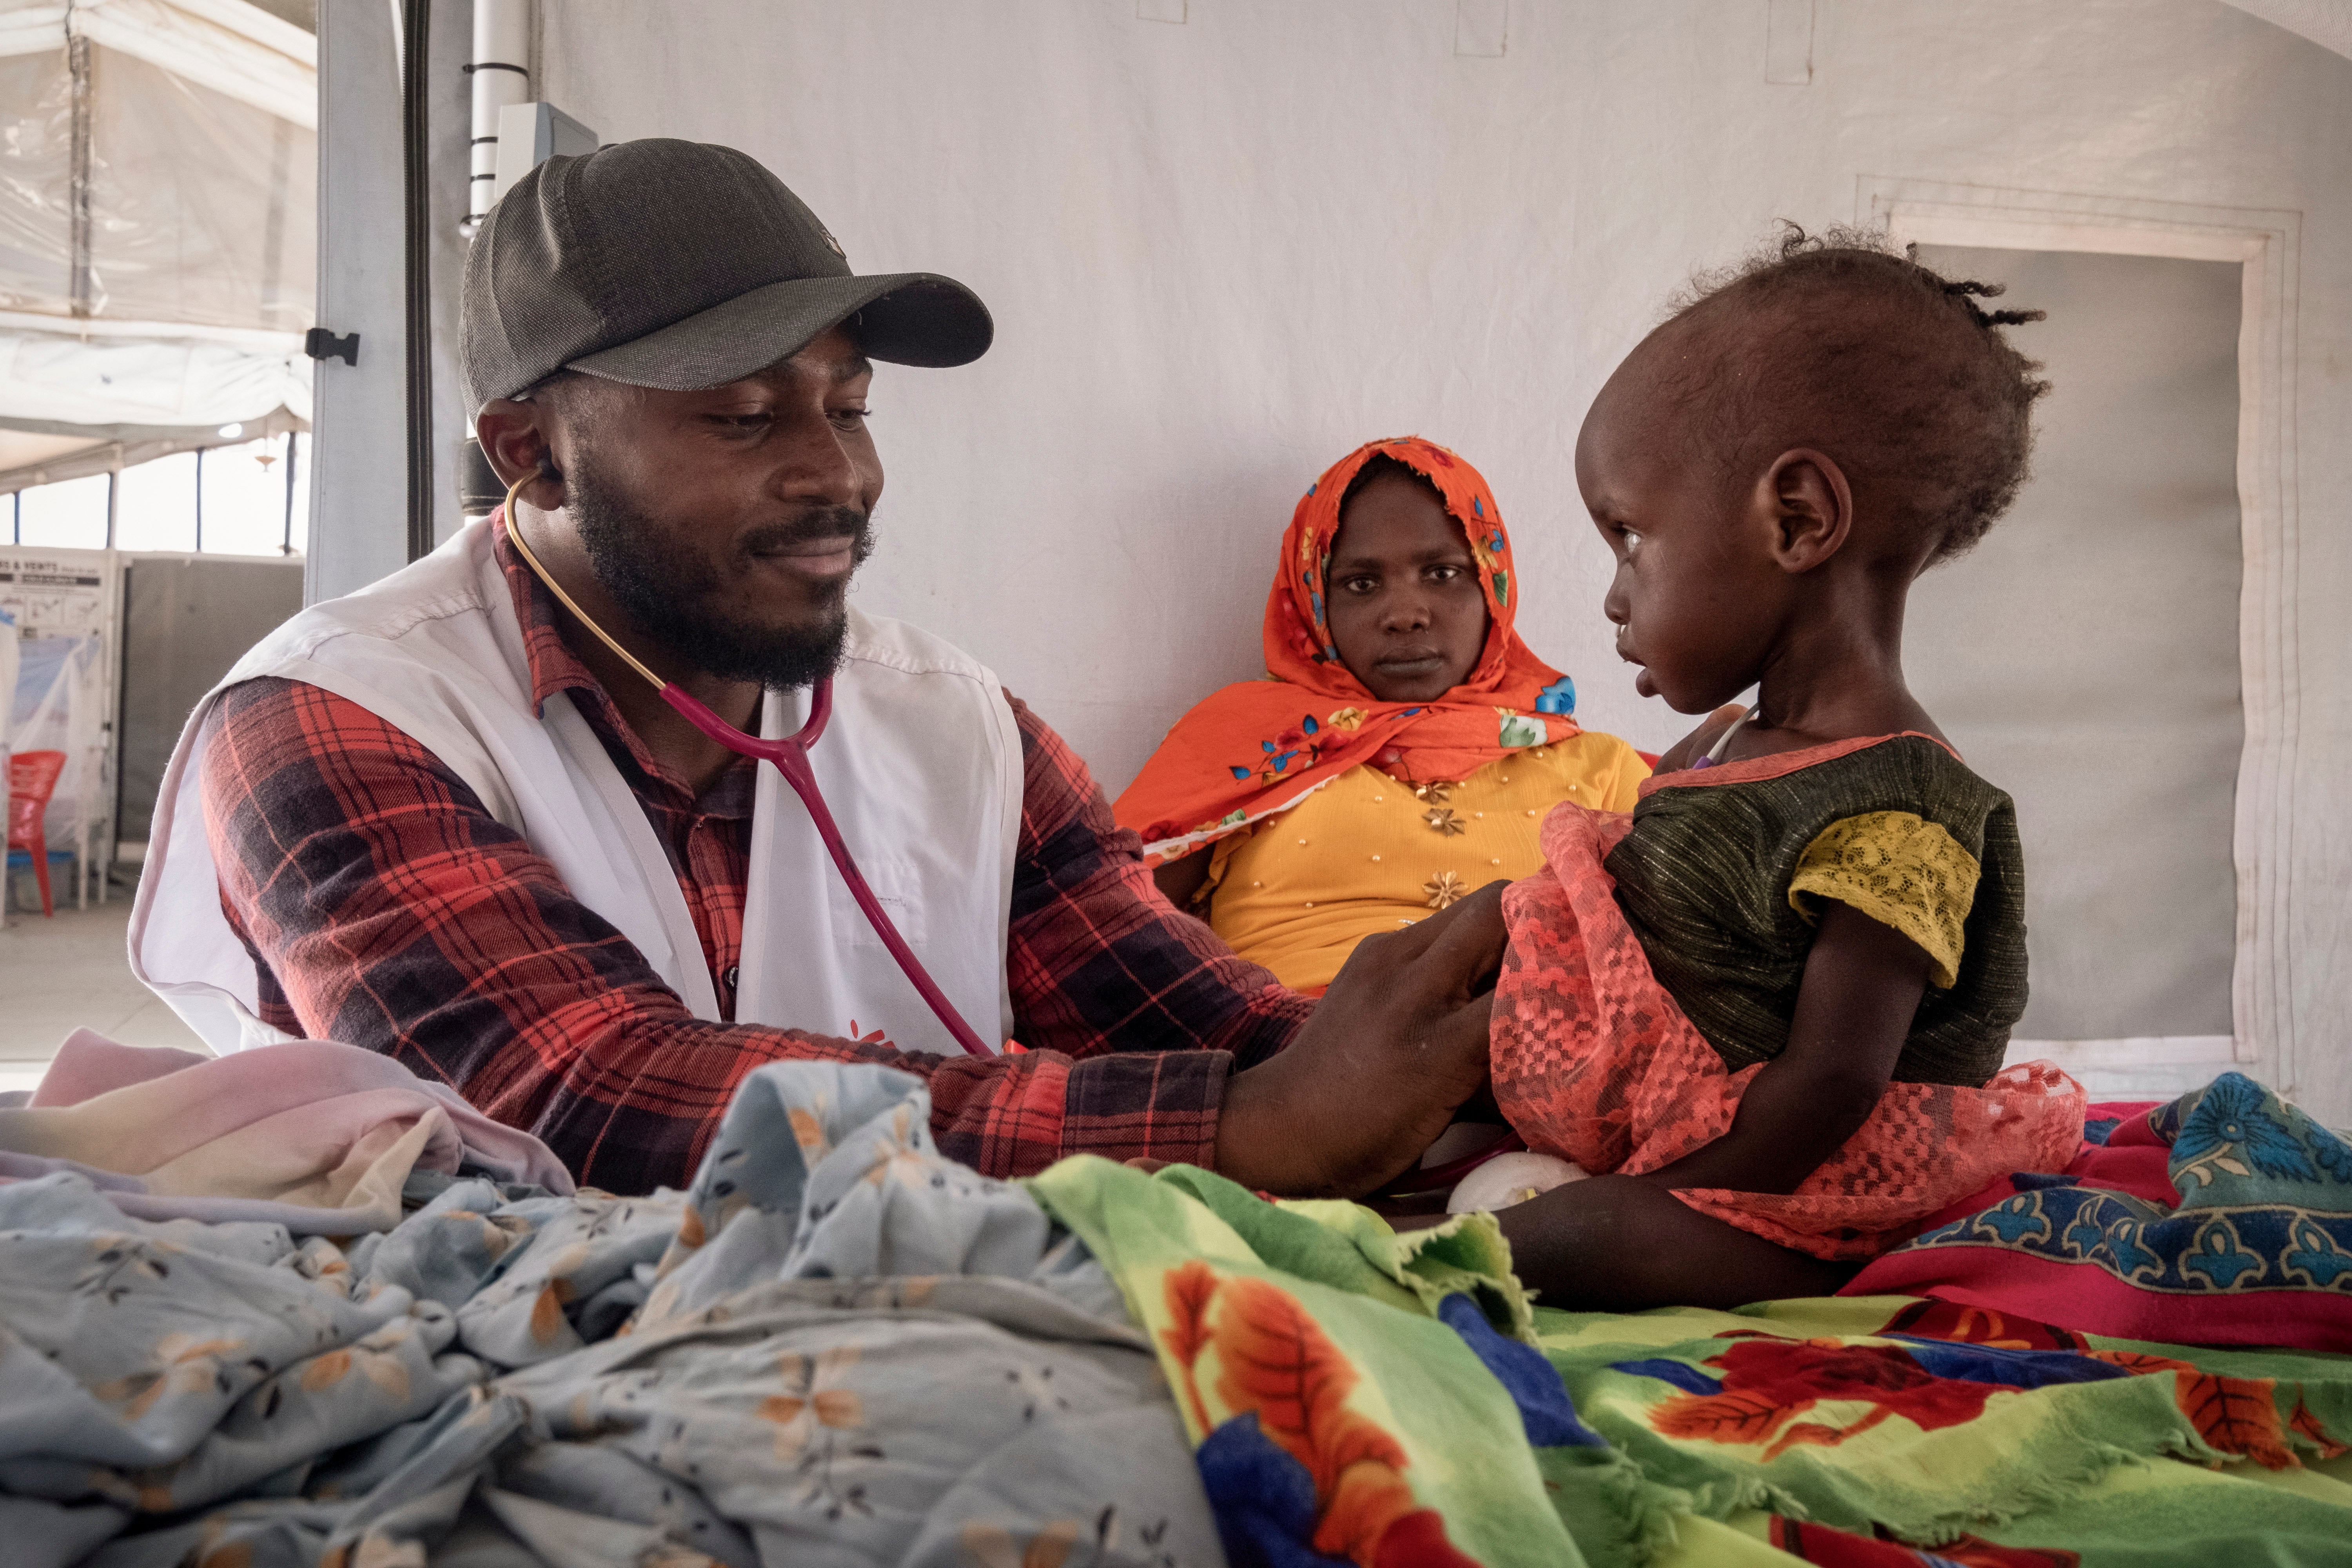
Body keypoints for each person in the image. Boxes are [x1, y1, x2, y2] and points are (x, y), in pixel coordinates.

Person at [129, 140, 1505, 1201]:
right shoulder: (338, 718)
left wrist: (1500, 1068)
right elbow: (573, 1099)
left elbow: (1208, 1018)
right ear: (530, 451)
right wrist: (1238, 1130)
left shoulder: (958, 728)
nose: (837, 476)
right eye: (743, 419)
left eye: (848, 404)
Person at [1466, 229, 2087, 1308]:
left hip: (1802, 1176)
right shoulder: (1722, 745)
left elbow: (1835, 1082)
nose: (1617, 596)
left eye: (1630, 538)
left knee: (1584, 1239)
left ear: (1796, 520)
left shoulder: (1902, 807)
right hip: (1676, 1108)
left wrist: (1676, 1192)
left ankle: (1457, 1247)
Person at [1116, 437, 1648, 994]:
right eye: (1361, 584)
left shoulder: (1601, 770)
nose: (1405, 614)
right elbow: (1093, 934)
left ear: (1493, 583)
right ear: (1314, 598)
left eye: (1442, 574)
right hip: (1293, 1064)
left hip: (1541, 1058)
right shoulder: (1246, 744)